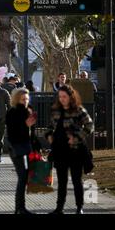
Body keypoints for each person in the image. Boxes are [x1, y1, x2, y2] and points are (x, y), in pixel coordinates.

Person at [46, 85, 94, 214]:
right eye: (60, 96)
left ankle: (79, 207)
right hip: (60, 150)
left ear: (70, 97)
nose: (62, 99)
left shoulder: (78, 110)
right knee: (62, 181)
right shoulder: (55, 110)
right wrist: (49, 136)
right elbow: (50, 127)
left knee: (76, 180)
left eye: (64, 97)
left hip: (75, 151)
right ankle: (59, 208)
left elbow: (90, 125)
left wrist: (77, 137)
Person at [6, 88, 38, 214]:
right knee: (22, 177)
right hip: (16, 147)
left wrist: (37, 147)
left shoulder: (28, 110)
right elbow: (12, 133)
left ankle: (19, 208)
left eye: (27, 99)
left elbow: (31, 133)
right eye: (22, 99)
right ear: (16, 99)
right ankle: (20, 208)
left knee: (26, 177)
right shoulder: (12, 112)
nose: (25, 101)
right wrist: (25, 125)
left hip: (27, 146)